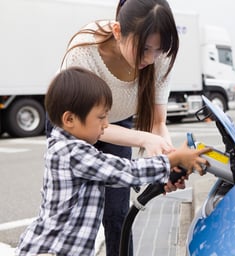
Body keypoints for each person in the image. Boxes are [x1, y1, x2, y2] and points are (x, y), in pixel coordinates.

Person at [16, 67, 210, 256]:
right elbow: (125, 171)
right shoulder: (71, 152)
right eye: (101, 117)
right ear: (70, 119)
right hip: (49, 250)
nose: (106, 124)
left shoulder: (75, 150)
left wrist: (166, 172)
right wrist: (173, 159)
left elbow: (118, 176)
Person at [45, 0, 181, 255]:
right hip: (76, 125)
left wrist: (168, 161)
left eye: (158, 50)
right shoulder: (85, 50)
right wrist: (144, 141)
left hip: (119, 124)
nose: (151, 59)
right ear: (118, 32)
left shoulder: (159, 56)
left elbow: (157, 123)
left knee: (117, 213)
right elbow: (91, 125)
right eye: (144, 49)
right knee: (71, 213)